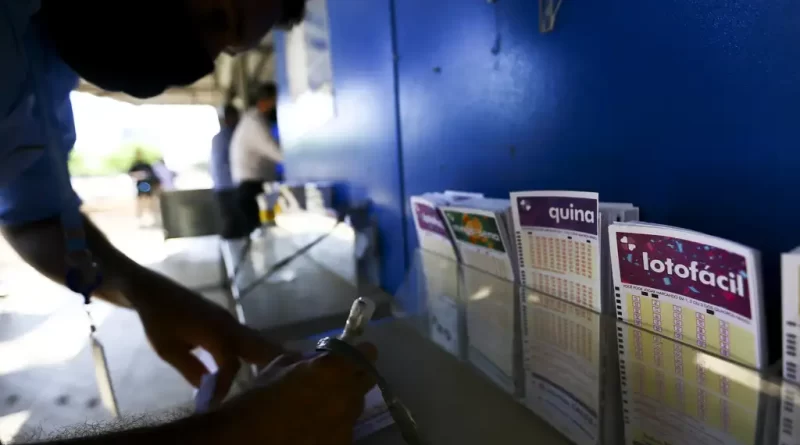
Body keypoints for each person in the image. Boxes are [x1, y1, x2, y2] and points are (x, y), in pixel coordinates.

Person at [0, 0, 376, 443]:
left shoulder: (45, 59)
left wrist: (142, 288)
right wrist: (240, 431)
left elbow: (35, 219)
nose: (197, 61)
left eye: (224, 50)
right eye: (217, 17)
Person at [230, 83, 284, 234]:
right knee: (261, 235)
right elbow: (275, 151)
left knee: (262, 235)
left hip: (253, 186)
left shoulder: (254, 120)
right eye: (275, 101)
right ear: (266, 101)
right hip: (252, 189)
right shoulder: (254, 123)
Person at [210, 104, 245, 238]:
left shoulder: (219, 137)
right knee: (234, 225)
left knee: (230, 223)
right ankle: (232, 250)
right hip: (230, 188)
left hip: (222, 188)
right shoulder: (230, 136)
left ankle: (229, 250)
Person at [128, 149, 161, 226]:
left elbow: (152, 175)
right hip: (140, 185)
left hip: (148, 185)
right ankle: (140, 221)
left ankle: (155, 220)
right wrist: (137, 175)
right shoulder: (135, 165)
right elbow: (130, 173)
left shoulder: (146, 165)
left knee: (151, 203)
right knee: (141, 203)